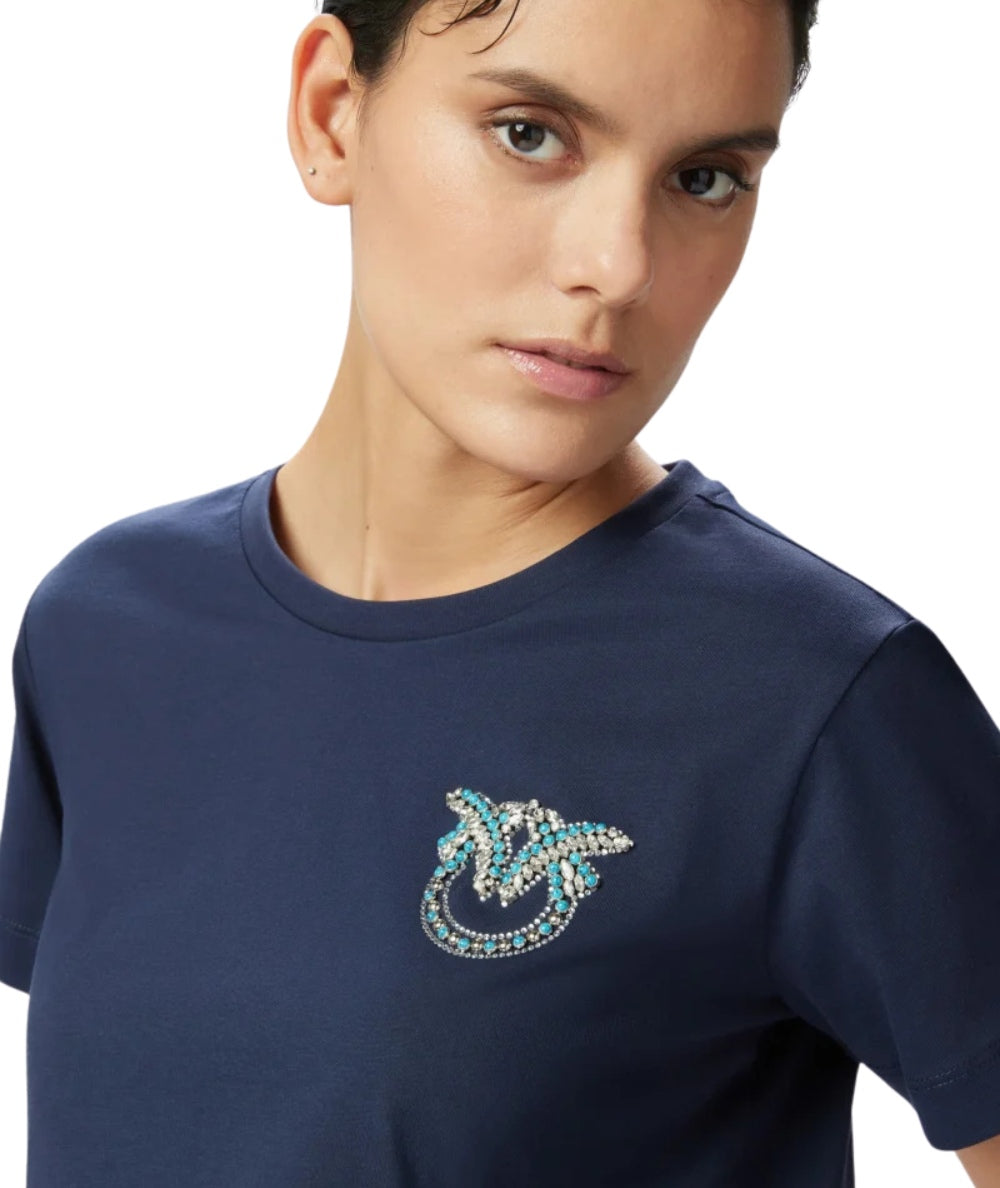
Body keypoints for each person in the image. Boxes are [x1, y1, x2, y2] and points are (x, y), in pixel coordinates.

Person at [1, 1, 998, 1185]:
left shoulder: (820, 704)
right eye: (530, 133)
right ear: (331, 113)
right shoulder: (105, 627)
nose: (617, 265)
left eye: (705, 178)